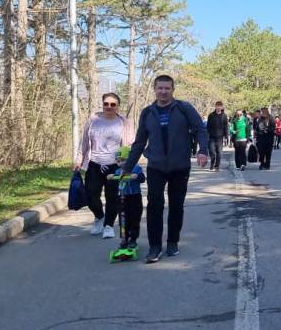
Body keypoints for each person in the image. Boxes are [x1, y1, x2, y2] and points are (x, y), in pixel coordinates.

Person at [122, 75, 208, 263]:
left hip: (180, 166)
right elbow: (139, 142)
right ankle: (154, 246)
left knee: (176, 205)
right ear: (154, 89)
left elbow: (200, 130)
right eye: (160, 88)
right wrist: (127, 167)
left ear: (173, 90)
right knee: (155, 206)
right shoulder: (147, 113)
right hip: (156, 166)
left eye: (167, 88)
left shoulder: (184, 108)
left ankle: (172, 242)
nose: (163, 92)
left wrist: (203, 151)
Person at [73, 93, 135, 239]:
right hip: (94, 164)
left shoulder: (124, 123)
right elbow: (84, 142)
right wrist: (78, 160)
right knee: (91, 195)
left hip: (114, 165)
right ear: (102, 104)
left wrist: (125, 164)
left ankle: (108, 225)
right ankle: (99, 216)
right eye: (106, 104)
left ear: (118, 106)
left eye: (113, 104)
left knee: (112, 197)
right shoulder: (93, 120)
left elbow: (128, 144)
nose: (109, 107)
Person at [112, 145, 146, 249]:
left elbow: (142, 178)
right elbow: (113, 181)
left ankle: (133, 239)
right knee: (123, 219)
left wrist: (137, 176)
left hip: (135, 197)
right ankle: (124, 239)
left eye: (123, 160)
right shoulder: (118, 172)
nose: (120, 163)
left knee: (135, 218)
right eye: (118, 161)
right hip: (122, 198)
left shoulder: (136, 168)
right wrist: (111, 177)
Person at [206, 101, 230, 171]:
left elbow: (226, 127)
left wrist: (226, 137)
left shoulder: (224, 116)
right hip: (212, 137)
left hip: (220, 137)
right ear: (215, 106)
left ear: (222, 107)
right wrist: (207, 134)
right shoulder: (211, 115)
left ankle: (217, 166)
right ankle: (212, 164)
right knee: (212, 152)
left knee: (219, 152)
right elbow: (208, 126)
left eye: (220, 106)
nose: (218, 107)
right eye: (217, 106)